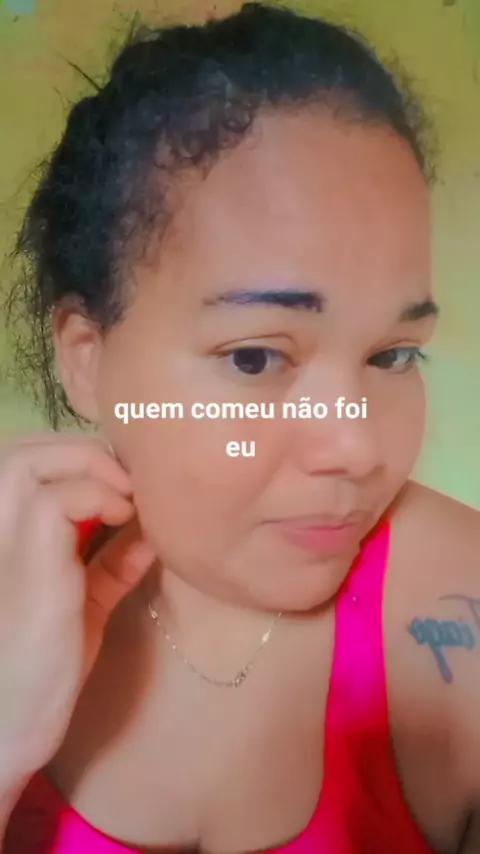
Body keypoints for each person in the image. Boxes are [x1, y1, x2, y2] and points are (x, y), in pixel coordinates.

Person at [1, 2, 480, 852]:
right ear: (86, 358)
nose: (358, 448)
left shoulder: (455, 605)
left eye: (393, 355)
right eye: (256, 358)